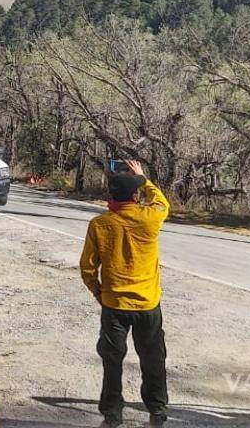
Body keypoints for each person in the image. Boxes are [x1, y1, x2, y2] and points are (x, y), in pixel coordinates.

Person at [79, 160, 171, 427]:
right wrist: (144, 178)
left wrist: (99, 293)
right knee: (153, 358)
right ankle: (157, 409)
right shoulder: (150, 218)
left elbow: (87, 268)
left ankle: (112, 413)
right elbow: (162, 202)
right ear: (135, 195)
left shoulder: (99, 224)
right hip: (147, 304)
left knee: (112, 361)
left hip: (114, 305)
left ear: (111, 196)